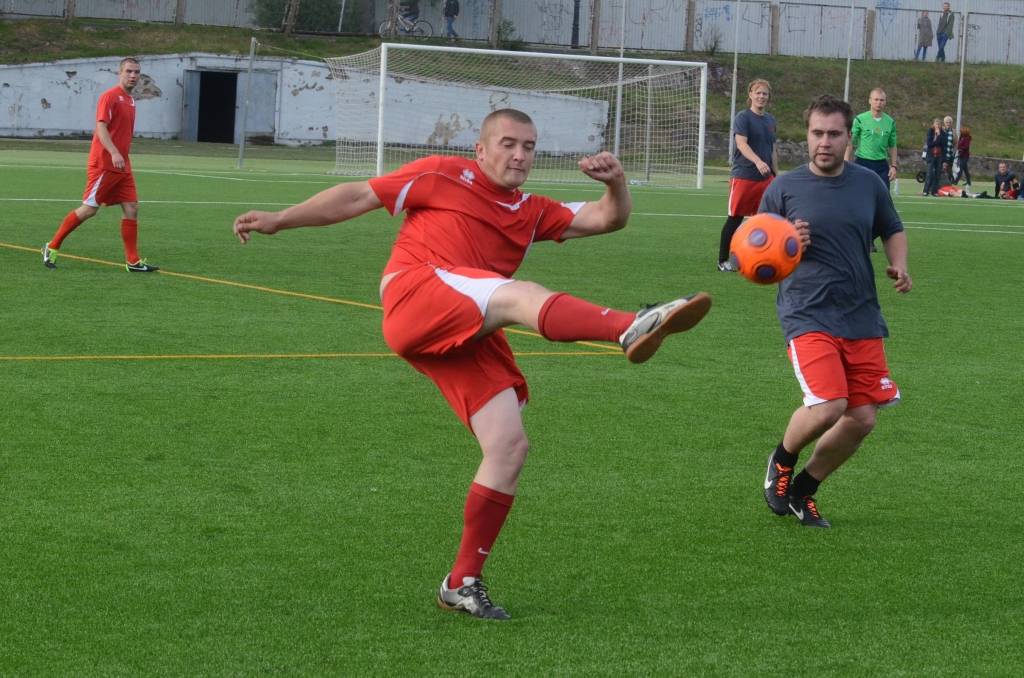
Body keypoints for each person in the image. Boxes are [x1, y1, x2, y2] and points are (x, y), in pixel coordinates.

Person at [231, 108, 712, 620]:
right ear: (480, 150)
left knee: (508, 446)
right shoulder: (441, 172)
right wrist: (281, 219)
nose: (520, 155)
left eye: (529, 146)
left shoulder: (530, 210)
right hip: (416, 294)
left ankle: (461, 582)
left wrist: (616, 184)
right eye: (508, 144)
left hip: (464, 322)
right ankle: (625, 325)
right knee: (515, 295)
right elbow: (359, 195)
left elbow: (606, 218)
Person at [760, 94, 911, 528]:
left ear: (850, 138)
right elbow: (757, 264)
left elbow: (892, 229)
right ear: (806, 135)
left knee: (861, 419)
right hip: (807, 312)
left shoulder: (869, 184)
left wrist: (899, 264)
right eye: (816, 133)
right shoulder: (783, 189)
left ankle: (804, 490)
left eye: (834, 134)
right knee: (828, 404)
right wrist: (788, 247)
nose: (824, 142)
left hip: (861, 314)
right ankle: (782, 461)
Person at [42, 57, 158, 273]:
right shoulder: (110, 97)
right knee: (89, 210)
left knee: (131, 208)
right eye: (129, 71)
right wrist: (114, 151)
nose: (133, 75)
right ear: (120, 72)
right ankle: (52, 245)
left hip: (123, 165)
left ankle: (133, 261)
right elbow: (100, 127)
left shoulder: (131, 100)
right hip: (105, 163)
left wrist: (121, 154)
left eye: (136, 72)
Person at [717, 79, 778, 272]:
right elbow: (742, 144)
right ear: (750, 94)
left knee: (766, 219)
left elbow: (773, 148)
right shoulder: (743, 117)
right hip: (744, 176)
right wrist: (758, 161)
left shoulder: (770, 120)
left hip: (766, 179)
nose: (761, 96)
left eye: (765, 94)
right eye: (758, 93)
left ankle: (760, 257)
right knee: (735, 218)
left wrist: (777, 173)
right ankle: (723, 261)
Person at [844, 87, 899, 191]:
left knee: (882, 198)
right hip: (862, 162)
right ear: (870, 101)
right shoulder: (860, 119)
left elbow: (892, 145)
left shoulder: (890, 122)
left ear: (885, 102)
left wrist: (894, 166)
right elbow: (850, 143)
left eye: (881, 100)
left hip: (881, 165)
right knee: (859, 195)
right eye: (876, 99)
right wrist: (845, 163)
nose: (879, 103)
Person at [923, 118, 945, 196]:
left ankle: (934, 191)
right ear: (933, 124)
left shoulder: (942, 132)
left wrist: (938, 135)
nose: (937, 126)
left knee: (937, 174)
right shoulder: (930, 131)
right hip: (931, 156)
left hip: (939, 156)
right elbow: (929, 144)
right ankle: (925, 191)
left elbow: (943, 143)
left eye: (939, 124)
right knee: (929, 173)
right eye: (936, 124)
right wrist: (936, 140)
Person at [942, 116, 957, 183]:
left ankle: (948, 185)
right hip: (942, 154)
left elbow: (956, 143)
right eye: (947, 122)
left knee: (949, 170)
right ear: (944, 123)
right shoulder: (941, 130)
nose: (948, 123)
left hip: (950, 154)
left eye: (949, 122)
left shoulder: (954, 131)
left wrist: (954, 152)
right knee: (941, 169)